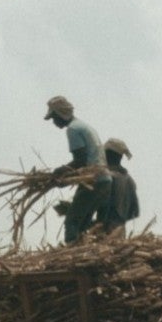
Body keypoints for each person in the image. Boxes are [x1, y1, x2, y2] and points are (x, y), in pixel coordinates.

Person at [44, 95, 105, 243]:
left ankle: (73, 248)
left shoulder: (73, 129)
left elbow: (80, 161)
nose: (54, 122)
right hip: (104, 180)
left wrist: (60, 171)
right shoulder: (84, 126)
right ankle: (95, 242)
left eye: (53, 117)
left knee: (72, 221)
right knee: (84, 221)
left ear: (60, 114)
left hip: (93, 180)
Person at [97, 138, 140, 236]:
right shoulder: (129, 180)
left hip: (105, 231)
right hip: (120, 230)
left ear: (107, 155)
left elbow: (103, 205)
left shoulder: (107, 178)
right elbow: (134, 211)